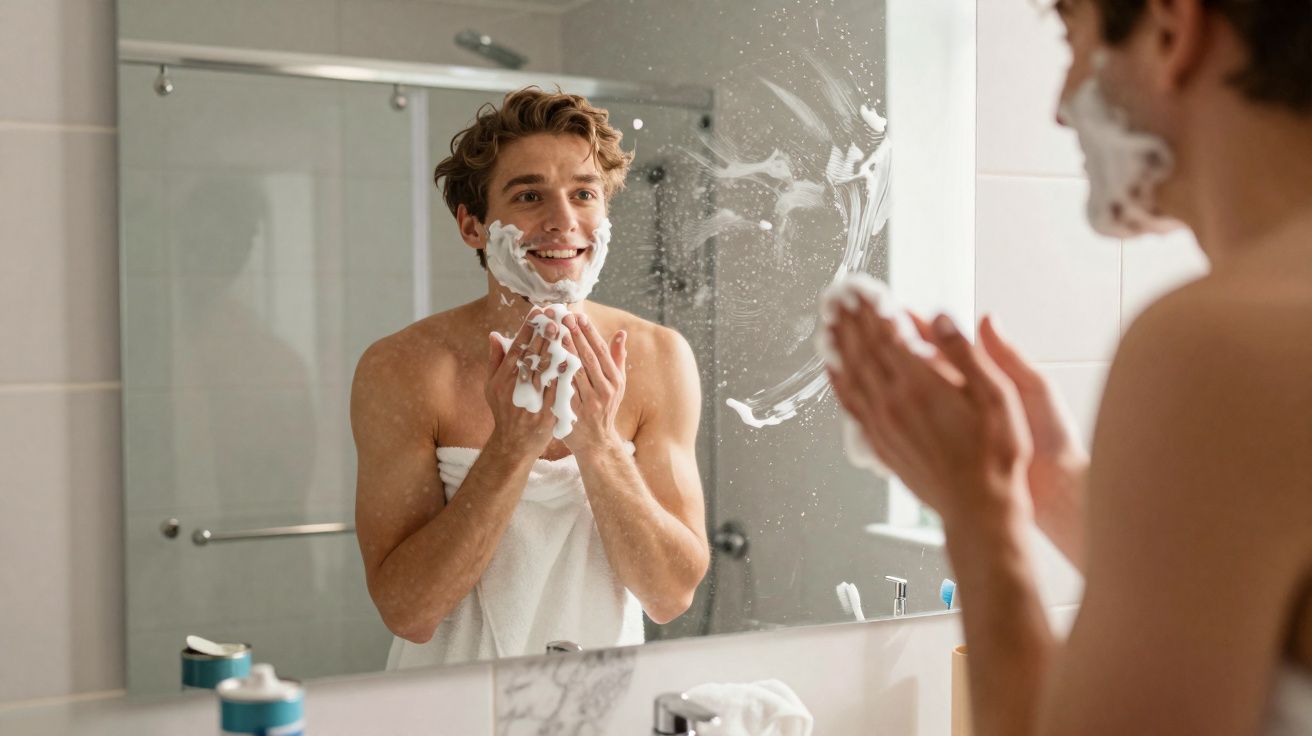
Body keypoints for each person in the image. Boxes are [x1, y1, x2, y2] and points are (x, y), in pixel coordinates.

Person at [826, 0, 1312, 733]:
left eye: (1073, 35)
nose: (1058, 106)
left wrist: (979, 517)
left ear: (1171, 32)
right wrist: (1047, 483)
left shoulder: (1216, 344)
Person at [351, 88, 709, 667]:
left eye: (584, 194)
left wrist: (598, 444)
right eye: (529, 195)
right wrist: (511, 448)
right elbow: (408, 612)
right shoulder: (405, 368)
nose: (563, 221)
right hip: (446, 704)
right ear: (473, 226)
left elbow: (670, 596)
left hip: (598, 705)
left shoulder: (659, 356)